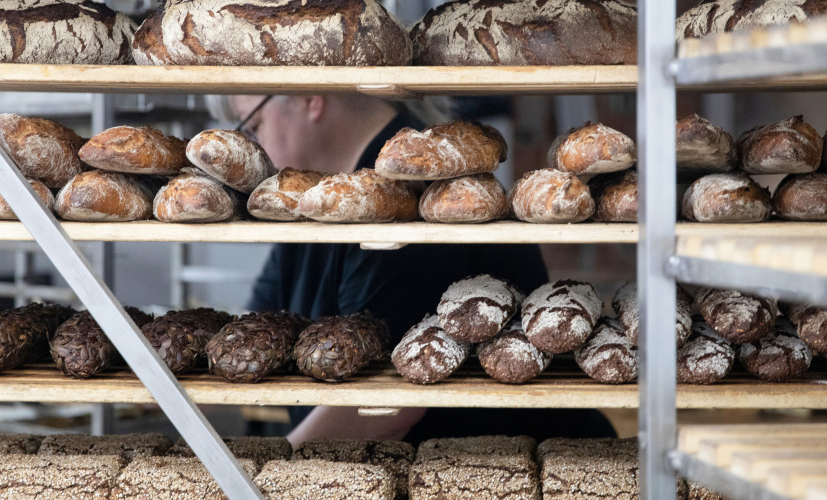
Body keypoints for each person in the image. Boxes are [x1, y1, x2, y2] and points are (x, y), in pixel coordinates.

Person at [220, 93, 615, 446]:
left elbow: (385, 409)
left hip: (501, 469)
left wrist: (263, 479)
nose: (256, 149)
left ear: (312, 99)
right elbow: (262, 325)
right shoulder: (318, 199)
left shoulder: (408, 195)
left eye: (253, 125)